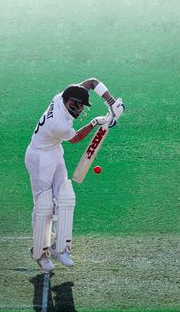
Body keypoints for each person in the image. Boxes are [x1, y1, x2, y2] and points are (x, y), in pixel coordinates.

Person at [25, 78, 121, 271]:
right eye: (78, 106)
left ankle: (61, 248)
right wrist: (96, 122)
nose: (80, 110)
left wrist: (111, 104)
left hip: (54, 151)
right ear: (70, 102)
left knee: (65, 197)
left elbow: (92, 83)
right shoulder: (57, 123)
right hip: (39, 158)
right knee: (44, 205)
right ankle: (39, 252)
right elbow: (76, 138)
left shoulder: (64, 95)